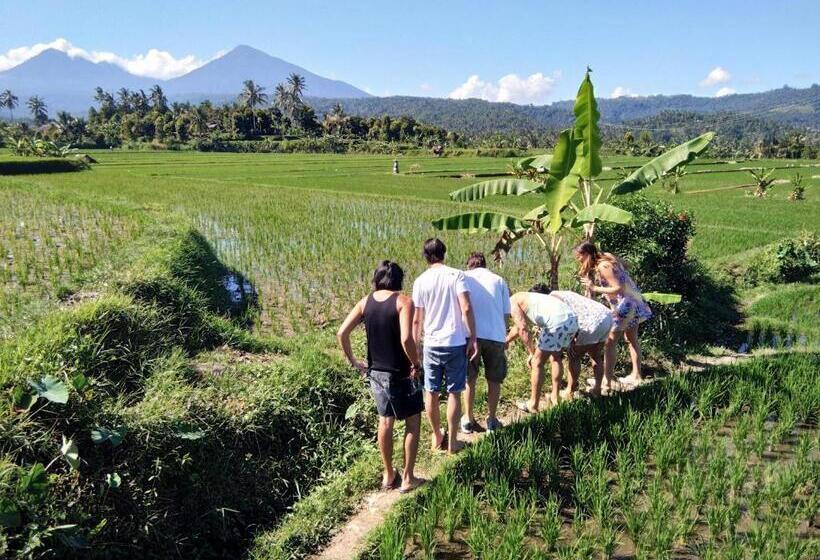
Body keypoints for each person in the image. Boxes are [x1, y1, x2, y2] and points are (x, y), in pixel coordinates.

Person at [337, 260, 423, 493]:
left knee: (385, 421)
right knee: (413, 421)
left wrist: (353, 361)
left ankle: (388, 475)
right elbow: (407, 339)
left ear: (377, 279)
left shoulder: (366, 302)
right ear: (398, 280)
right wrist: (416, 363)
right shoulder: (404, 302)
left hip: (376, 373)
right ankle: (408, 478)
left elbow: (342, 332)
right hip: (401, 373)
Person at [412, 238, 478, 454]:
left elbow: (416, 319)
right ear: (444, 253)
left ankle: (437, 435)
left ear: (426, 256)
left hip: (431, 344)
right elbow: (466, 308)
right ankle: (453, 443)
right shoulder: (456, 275)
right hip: (455, 342)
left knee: (430, 391)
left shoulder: (420, 281)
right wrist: (473, 337)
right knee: (454, 393)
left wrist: (417, 346)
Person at [574, 241, 652, 387]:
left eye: (579, 256)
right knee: (631, 338)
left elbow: (617, 287)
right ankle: (636, 375)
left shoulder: (604, 266)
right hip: (633, 300)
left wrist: (594, 287)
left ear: (586, 254)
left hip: (626, 304)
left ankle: (606, 381)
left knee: (610, 342)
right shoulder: (605, 259)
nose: (578, 259)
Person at [461, 252, 511, 434]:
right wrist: (503, 334)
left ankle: (468, 418)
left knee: (469, 379)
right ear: (484, 264)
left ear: (469, 265)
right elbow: (506, 313)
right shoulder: (499, 280)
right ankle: (491, 419)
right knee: (494, 380)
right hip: (495, 336)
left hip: (470, 336)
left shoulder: (464, 278)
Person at [507, 285, 579, 412]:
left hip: (556, 323)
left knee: (537, 362)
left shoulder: (512, 302)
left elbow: (523, 328)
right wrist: (506, 341)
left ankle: (533, 404)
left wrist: (531, 352)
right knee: (556, 357)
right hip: (571, 320)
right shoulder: (524, 297)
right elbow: (518, 327)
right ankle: (555, 398)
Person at [546, 288, 613, 398]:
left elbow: (566, 319)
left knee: (573, 355)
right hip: (606, 315)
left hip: (593, 322)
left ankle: (570, 391)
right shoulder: (562, 293)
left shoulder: (552, 299)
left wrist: (570, 341)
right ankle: (597, 389)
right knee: (596, 355)